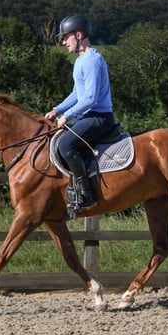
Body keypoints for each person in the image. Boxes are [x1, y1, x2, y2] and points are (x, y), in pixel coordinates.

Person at [45, 14, 115, 217]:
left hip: (99, 117)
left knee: (65, 145)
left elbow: (91, 98)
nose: (63, 41)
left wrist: (67, 115)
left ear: (79, 34)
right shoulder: (80, 61)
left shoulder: (92, 60)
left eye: (66, 37)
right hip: (88, 116)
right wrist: (57, 110)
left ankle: (86, 194)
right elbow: (77, 93)